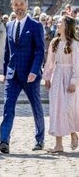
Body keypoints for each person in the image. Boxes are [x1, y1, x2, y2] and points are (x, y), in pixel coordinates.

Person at [0, 0, 45, 154]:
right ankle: (4, 141)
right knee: (8, 107)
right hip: (12, 75)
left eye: (21, 4)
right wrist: (5, 72)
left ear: (26, 6)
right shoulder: (9, 26)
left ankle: (39, 140)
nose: (19, 8)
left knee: (36, 106)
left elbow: (40, 51)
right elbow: (8, 51)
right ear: (12, 6)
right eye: (16, 5)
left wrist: (35, 71)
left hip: (30, 75)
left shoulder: (35, 26)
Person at [43, 15, 79, 153]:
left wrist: (74, 81)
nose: (57, 24)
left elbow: (77, 64)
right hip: (57, 77)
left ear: (67, 26)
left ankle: (73, 134)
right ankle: (58, 144)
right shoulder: (54, 42)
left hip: (69, 77)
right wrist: (47, 77)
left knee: (69, 108)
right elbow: (50, 62)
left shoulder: (75, 44)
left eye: (60, 23)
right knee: (57, 109)